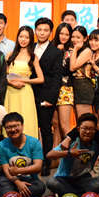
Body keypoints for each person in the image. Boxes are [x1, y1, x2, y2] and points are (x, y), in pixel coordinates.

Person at [45, 113, 99, 196]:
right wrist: (69, 153)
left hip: (84, 179)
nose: (88, 132)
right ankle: (80, 195)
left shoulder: (97, 144)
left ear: (95, 130)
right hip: (64, 179)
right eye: (85, 128)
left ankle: (69, 194)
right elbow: (49, 155)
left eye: (91, 129)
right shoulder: (71, 141)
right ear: (78, 129)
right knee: (51, 182)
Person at [33, 17, 63, 173]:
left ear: (51, 32)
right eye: (39, 30)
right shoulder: (29, 47)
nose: (42, 33)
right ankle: (32, 160)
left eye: (45, 30)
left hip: (46, 96)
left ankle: (46, 162)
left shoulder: (56, 52)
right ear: (35, 31)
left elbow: (57, 78)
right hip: (29, 94)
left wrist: (51, 99)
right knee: (31, 128)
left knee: (45, 129)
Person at [4, 26, 43, 139]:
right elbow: (3, 75)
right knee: (10, 118)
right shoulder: (10, 54)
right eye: (21, 36)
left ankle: (28, 146)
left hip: (25, 92)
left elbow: (41, 79)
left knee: (26, 118)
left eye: (26, 37)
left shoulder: (33, 57)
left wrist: (22, 80)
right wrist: (11, 83)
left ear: (30, 39)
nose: (23, 39)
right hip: (10, 92)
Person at [0, 112, 46, 197]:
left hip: (29, 179)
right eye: (8, 127)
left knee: (40, 186)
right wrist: (18, 182)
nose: (13, 130)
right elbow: (6, 170)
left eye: (16, 126)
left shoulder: (34, 142)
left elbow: (38, 167)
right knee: (2, 182)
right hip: (11, 180)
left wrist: (18, 170)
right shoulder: (1, 145)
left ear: (22, 126)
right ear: (5, 129)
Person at [52, 23, 75, 141]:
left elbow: (68, 70)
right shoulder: (51, 47)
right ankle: (56, 151)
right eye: (61, 33)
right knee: (55, 123)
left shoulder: (72, 51)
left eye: (67, 34)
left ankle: (73, 149)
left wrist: (60, 53)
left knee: (65, 125)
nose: (64, 36)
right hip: (52, 88)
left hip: (65, 88)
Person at [69, 26, 95, 116]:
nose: (74, 40)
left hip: (83, 87)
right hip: (75, 86)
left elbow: (72, 67)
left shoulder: (87, 51)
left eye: (78, 37)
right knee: (78, 120)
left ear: (85, 38)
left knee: (84, 119)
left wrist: (75, 49)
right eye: (73, 37)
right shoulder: (74, 49)